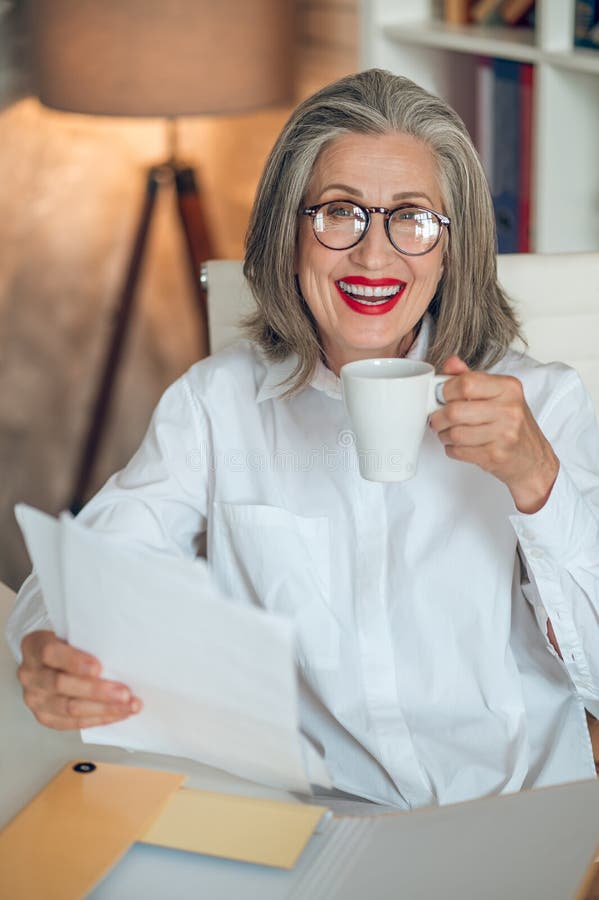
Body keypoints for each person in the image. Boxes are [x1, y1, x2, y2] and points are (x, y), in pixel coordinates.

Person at [7, 69, 599, 807]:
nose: (374, 256)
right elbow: (89, 569)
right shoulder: (217, 404)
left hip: (514, 804)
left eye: (411, 218)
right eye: (339, 213)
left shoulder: (539, 405)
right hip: (309, 811)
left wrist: (538, 482)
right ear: (288, 236)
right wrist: (47, 645)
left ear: (452, 249)